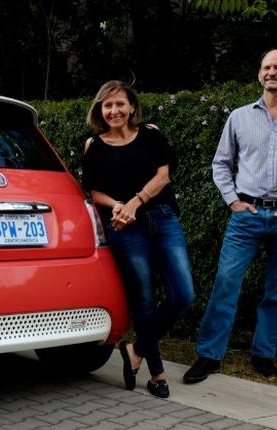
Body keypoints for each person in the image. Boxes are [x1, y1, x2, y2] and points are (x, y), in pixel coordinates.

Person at [183, 48, 277, 383]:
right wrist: (232, 200)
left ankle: (263, 355)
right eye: (266, 67)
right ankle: (209, 355)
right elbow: (221, 164)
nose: (272, 72)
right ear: (259, 74)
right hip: (245, 216)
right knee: (226, 283)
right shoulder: (239, 117)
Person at [82, 80, 194, 398]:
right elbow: (94, 192)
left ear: (132, 106)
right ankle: (157, 374)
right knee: (143, 301)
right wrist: (118, 206)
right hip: (124, 228)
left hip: (163, 219)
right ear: (100, 110)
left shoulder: (151, 134)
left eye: (120, 104)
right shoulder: (94, 145)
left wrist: (134, 202)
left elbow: (163, 176)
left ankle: (135, 351)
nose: (114, 110)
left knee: (183, 294)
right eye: (108, 105)